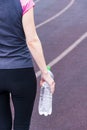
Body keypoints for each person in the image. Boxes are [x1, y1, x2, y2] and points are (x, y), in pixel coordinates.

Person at [0, 0, 55, 130]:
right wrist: (45, 73)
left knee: (2, 124)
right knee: (22, 125)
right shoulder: (24, 2)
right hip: (21, 73)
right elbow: (32, 40)